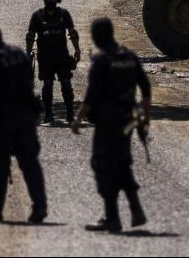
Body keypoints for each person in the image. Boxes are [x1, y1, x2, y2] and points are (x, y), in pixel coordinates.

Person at [71, 18, 152, 233]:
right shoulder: (129, 57)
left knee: (102, 165)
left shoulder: (102, 61)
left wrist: (78, 118)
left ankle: (112, 217)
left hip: (107, 123)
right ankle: (135, 209)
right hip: (128, 121)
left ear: (97, 37)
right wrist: (145, 117)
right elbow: (145, 88)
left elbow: (91, 95)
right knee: (122, 163)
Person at [0, 23, 48, 223]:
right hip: (27, 115)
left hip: (3, 119)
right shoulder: (19, 53)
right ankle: (40, 206)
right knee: (29, 162)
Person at [26, 0, 81, 124]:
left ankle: (70, 113)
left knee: (66, 84)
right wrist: (27, 53)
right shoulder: (37, 16)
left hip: (62, 55)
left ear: (56, 1)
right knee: (47, 84)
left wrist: (77, 49)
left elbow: (72, 32)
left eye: (52, 0)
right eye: (48, 0)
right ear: (44, 1)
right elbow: (30, 36)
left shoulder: (64, 14)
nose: (50, 2)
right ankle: (49, 113)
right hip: (45, 57)